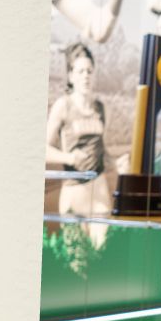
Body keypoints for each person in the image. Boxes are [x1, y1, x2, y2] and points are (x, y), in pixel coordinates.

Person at [44, 43, 115, 219]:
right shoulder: (63, 106)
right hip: (74, 190)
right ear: (71, 76)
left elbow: (102, 151)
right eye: (80, 71)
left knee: (103, 237)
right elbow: (43, 150)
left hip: (99, 189)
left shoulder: (102, 108)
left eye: (89, 71)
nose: (86, 76)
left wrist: (116, 163)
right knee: (75, 239)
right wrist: (70, 158)